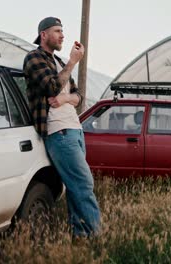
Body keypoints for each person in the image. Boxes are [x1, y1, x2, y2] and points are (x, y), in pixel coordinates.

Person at [23, 17, 101, 238]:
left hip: (74, 130)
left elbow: (79, 97)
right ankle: (94, 239)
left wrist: (66, 98)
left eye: (62, 31)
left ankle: (81, 236)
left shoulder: (57, 61)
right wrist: (73, 62)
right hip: (59, 132)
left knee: (77, 187)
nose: (62, 35)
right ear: (44, 35)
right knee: (84, 184)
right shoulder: (34, 58)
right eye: (57, 31)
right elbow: (51, 87)